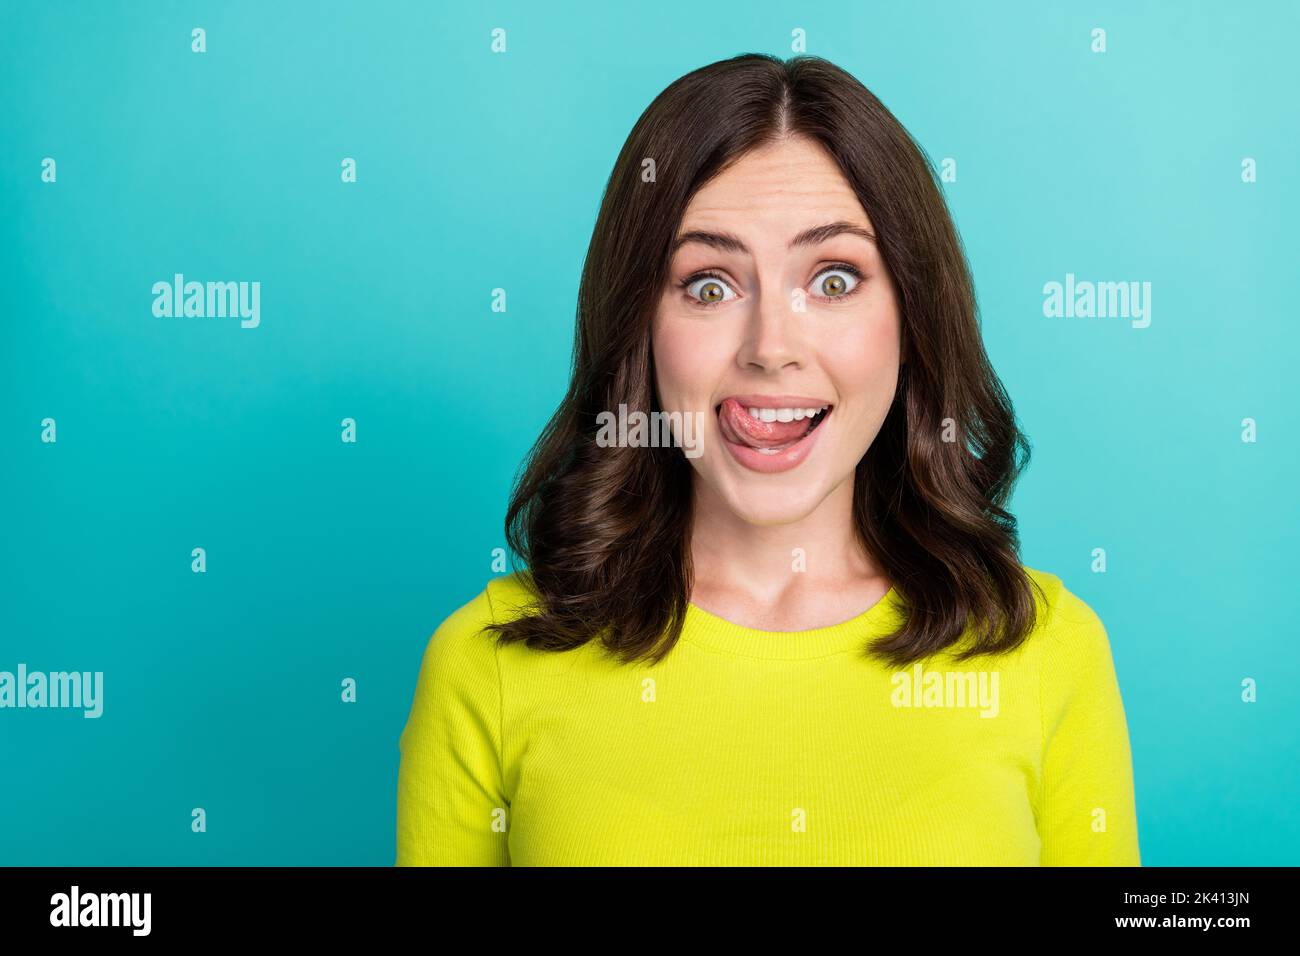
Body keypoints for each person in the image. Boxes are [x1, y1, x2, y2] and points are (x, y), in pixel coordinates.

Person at [395, 53, 1140, 866]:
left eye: (832, 279)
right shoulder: (487, 665)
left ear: (911, 315)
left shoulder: (1045, 649)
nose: (771, 349)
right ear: (640, 325)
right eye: (710, 284)